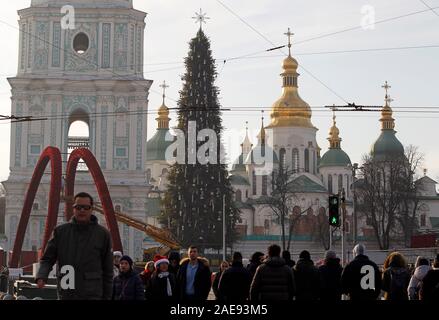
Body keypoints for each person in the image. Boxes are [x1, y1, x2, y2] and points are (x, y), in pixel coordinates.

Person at [35, 192, 113, 300]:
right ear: (73, 209)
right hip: (67, 291)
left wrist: (107, 297)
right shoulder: (60, 232)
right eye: (78, 207)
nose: (82, 210)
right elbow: (47, 258)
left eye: (86, 207)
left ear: (91, 209)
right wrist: (42, 276)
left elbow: (108, 270)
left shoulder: (102, 234)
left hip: (92, 293)